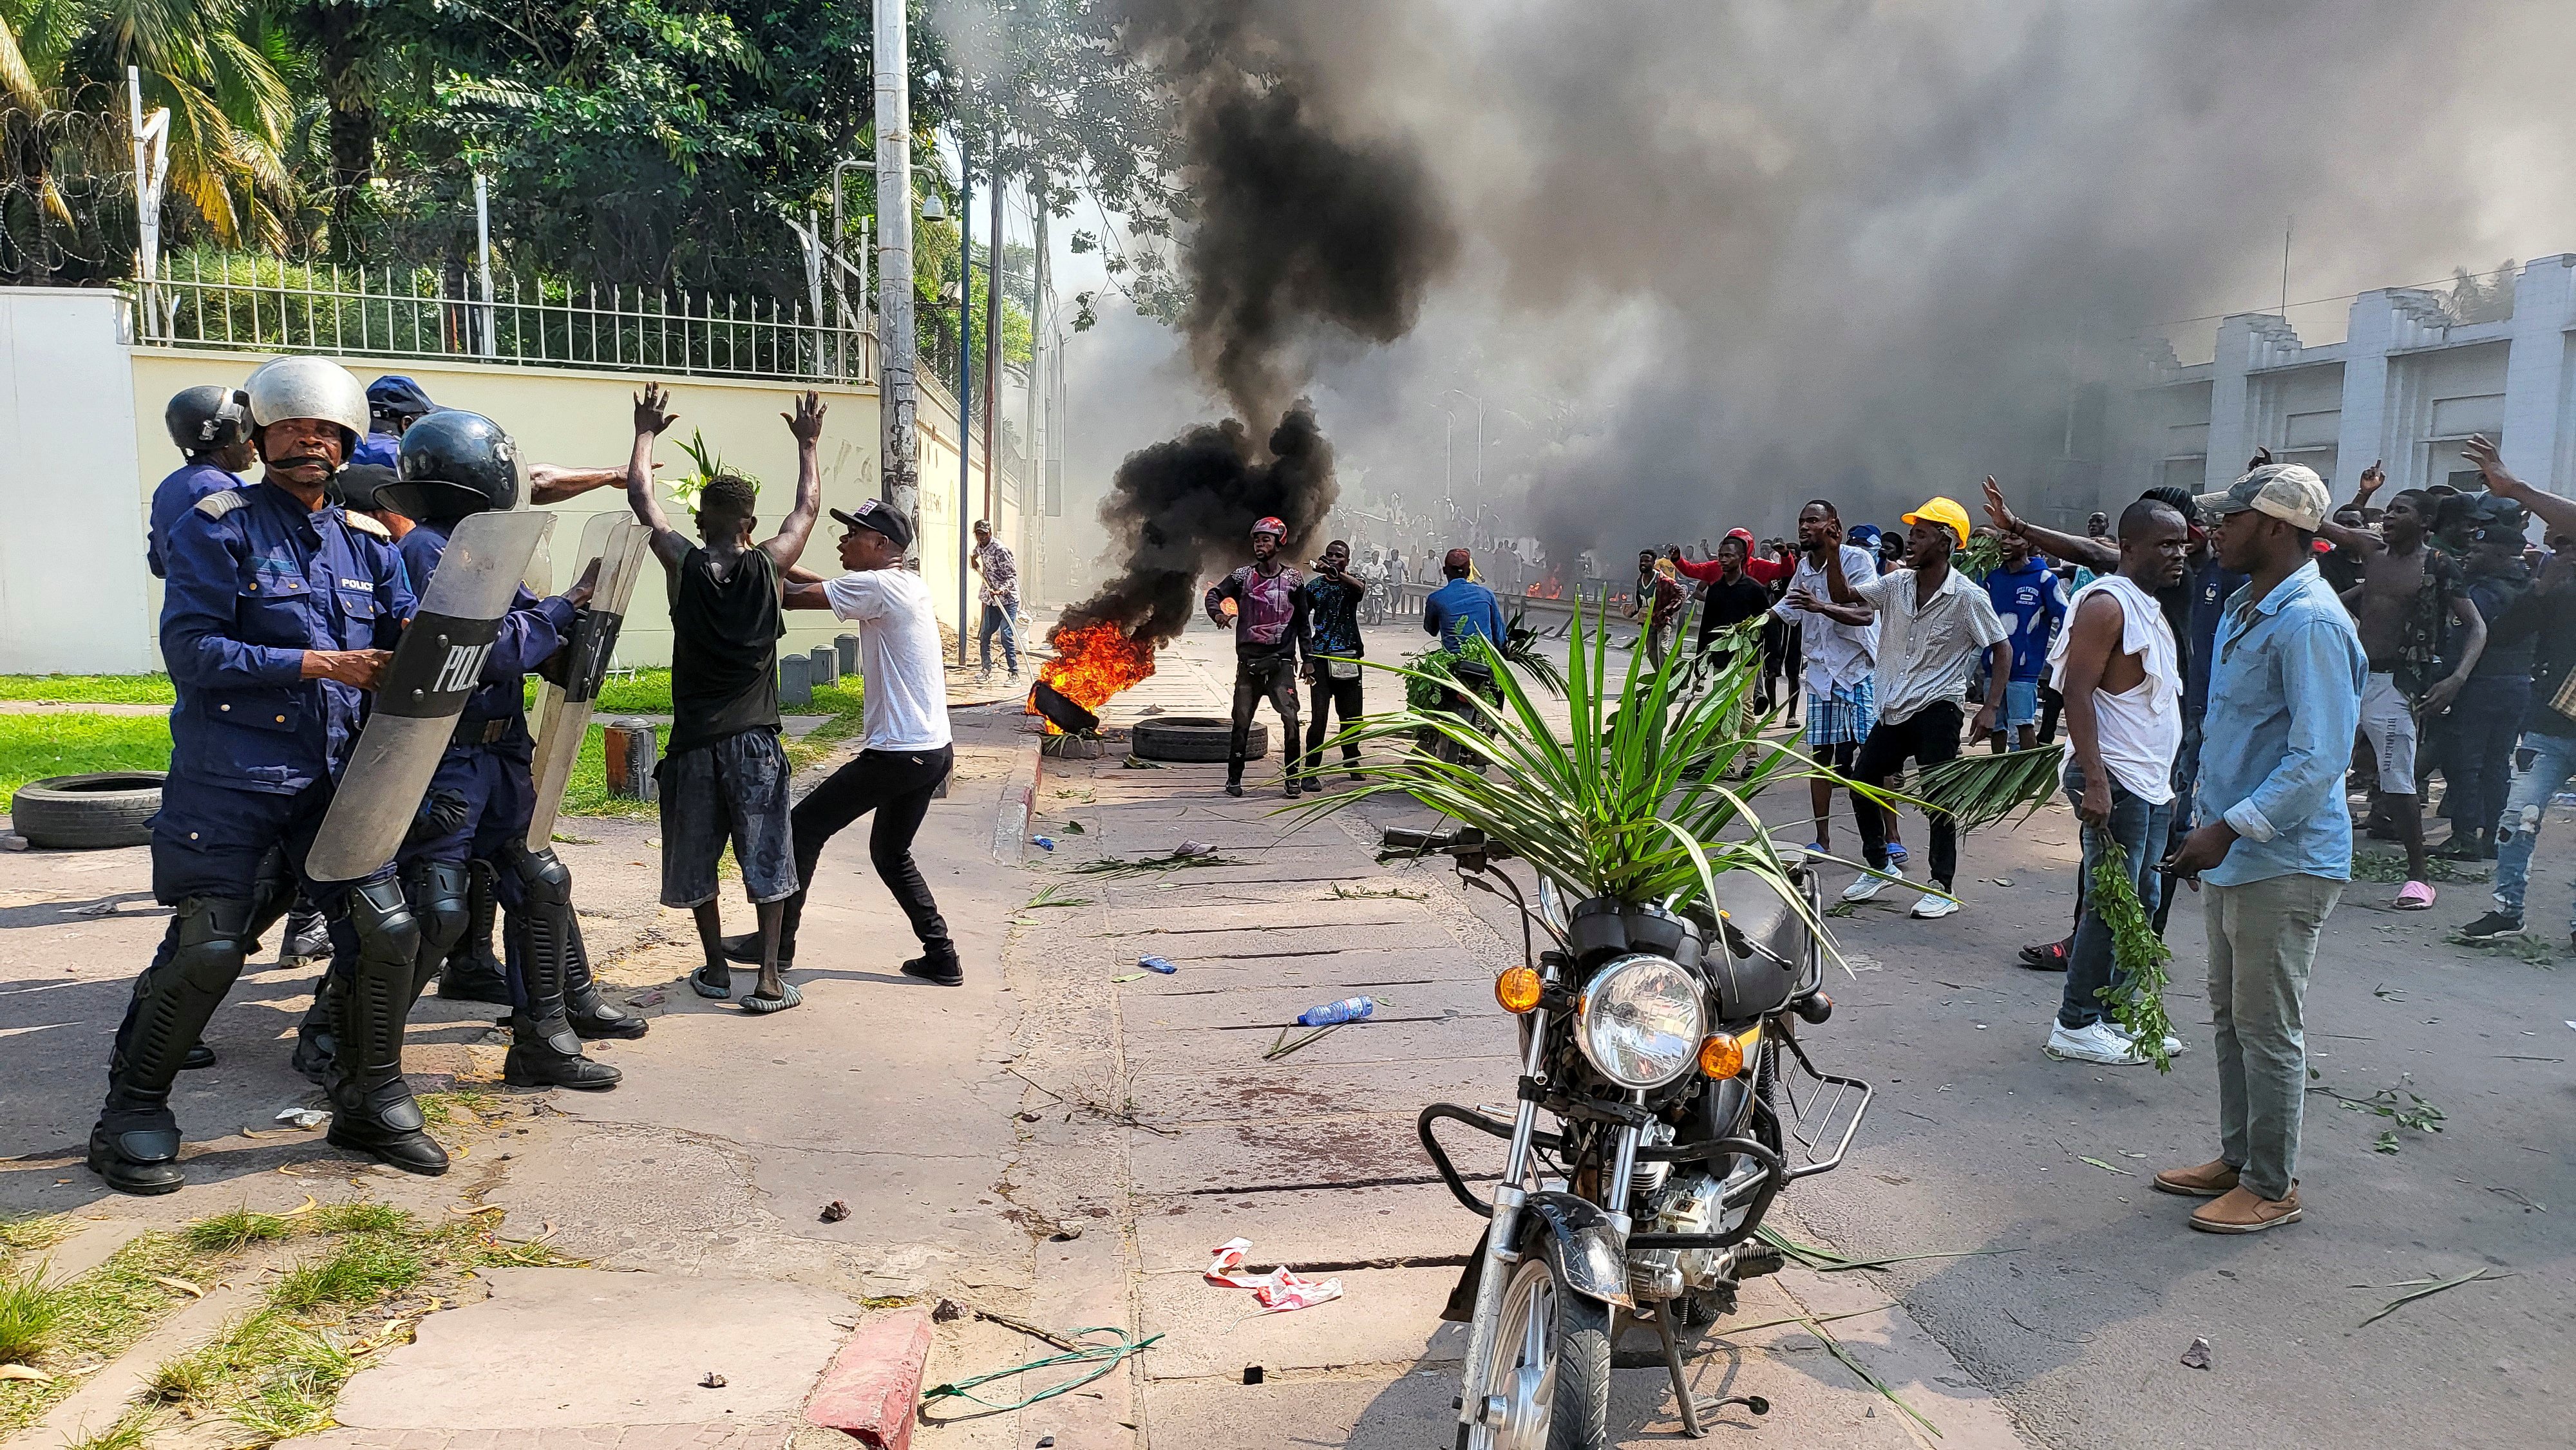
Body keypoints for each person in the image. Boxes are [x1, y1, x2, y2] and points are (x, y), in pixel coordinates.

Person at [90, 357, 436, 1194]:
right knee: (210, 945)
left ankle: (369, 1096)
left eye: (324, 430)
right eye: (290, 427)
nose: (308, 441)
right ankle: (132, 1115)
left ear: (347, 442)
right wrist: (321, 662)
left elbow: (403, 641)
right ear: (260, 435)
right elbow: (192, 651)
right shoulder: (219, 522)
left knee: (386, 930)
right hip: (231, 776)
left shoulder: (364, 542)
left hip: (333, 778)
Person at [2157, 462, 2365, 1234]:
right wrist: (2206, 820)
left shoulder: (2308, 619)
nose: (2215, 532)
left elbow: (2317, 758)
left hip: (2283, 857)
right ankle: (2239, 1157)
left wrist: (2226, 826)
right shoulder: (2252, 605)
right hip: (2236, 849)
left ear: (2277, 528)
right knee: (2229, 1015)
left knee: (2268, 1024)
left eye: (2232, 520)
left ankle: (2273, 1184)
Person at [624, 382, 823, 1013]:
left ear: (701, 519)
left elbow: (643, 501)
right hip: (754, 744)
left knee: (697, 859)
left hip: (692, 747)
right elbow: (808, 509)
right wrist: (808, 444)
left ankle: (713, 966)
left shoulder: (682, 563)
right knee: (767, 856)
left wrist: (645, 431)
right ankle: (766, 978)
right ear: (749, 525)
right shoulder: (769, 565)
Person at [719, 500, 962, 984]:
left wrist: (743, 554)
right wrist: (769, 560)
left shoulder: (878, 587)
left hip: (898, 752)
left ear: (882, 544)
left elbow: (789, 595)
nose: (843, 540)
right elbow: (817, 584)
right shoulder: (903, 583)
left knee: (803, 828)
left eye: (854, 533)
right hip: (931, 750)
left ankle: (778, 944)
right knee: (891, 854)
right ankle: (942, 955)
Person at [2041, 499, 2190, 1066]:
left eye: (2182, 544)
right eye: (2165, 545)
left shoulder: (2149, 606)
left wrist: (2170, 784)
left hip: (2151, 782)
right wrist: (2097, 782)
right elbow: (2076, 693)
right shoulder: (2107, 606)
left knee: (2145, 898)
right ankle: (2076, 1022)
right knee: (2109, 903)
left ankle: (2119, 1015)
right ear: (2129, 548)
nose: (2178, 554)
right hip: (2116, 778)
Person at [1821, 496, 2011, 919]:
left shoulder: (1967, 597)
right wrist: (1834, 553)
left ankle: (1941, 886)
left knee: (1938, 799)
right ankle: (1879, 866)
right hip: (1895, 706)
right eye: (1911, 533)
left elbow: (2001, 647)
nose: (1911, 541)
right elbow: (1844, 595)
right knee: (1864, 779)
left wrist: (1990, 707)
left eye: (1921, 535)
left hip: (1938, 708)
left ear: (1946, 543)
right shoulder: (1896, 584)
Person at [2338, 486, 2486, 909]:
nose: (2388, 517)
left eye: (2399, 511)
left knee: (2398, 781)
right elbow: (2361, 588)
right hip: (2353, 678)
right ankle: (2321, 859)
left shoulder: (2438, 565)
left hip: (2397, 683)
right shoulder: (2375, 556)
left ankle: (2418, 878)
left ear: (2424, 522)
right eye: (2387, 511)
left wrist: (2456, 679)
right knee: (2325, 766)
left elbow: (2476, 627)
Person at [2455, 435, 2576, 940]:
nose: (2558, 550)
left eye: (2565, 542)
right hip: (2550, 725)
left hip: (2549, 721)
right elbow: (2505, 634)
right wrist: (2542, 591)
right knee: (2516, 817)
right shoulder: (2553, 587)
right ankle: (2507, 911)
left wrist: (2516, 488)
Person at [1777, 501, 1884, 861]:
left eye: (1813, 521)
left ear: (1833, 525)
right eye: (1801, 521)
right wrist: (1747, 628)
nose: (1804, 528)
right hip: (1822, 673)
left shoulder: (1858, 561)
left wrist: (1822, 606)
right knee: (1820, 757)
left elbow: (1865, 614)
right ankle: (1822, 838)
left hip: (1858, 670)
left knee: (1872, 755)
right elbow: (1786, 609)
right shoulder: (1804, 569)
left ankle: (1891, 836)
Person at [2434, 502, 2534, 860]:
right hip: (2517, 685)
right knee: (2497, 763)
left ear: (2504, 554)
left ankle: (2465, 836)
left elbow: (2463, 639)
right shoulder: (2530, 587)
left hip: (2481, 685)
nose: (2470, 556)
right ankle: (2492, 835)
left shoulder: (2485, 593)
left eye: (2478, 550)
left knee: (2465, 761)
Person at [1207, 517, 1310, 800]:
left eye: (1266, 540)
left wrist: (1309, 659)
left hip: (1282, 665)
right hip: (1249, 666)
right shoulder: (1242, 577)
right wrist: (1218, 613)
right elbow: (1214, 593)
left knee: (1291, 720)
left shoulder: (1294, 579)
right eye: (1256, 540)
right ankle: (1234, 779)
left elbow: (1302, 622)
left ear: (1279, 544)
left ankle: (1293, 780)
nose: (1260, 545)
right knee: (1241, 723)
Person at [1984, 530, 2066, 752]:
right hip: (1992, 666)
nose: (2007, 542)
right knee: (1996, 726)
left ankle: (2024, 781)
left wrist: (2060, 656)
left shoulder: (2045, 579)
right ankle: (1999, 777)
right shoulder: (1993, 579)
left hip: (2024, 668)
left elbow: (2065, 616)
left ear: (2030, 542)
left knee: (2023, 725)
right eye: (2003, 538)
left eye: (2014, 537)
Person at [1300, 540, 1370, 782]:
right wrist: (1306, 658)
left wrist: (1338, 575)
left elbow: (1361, 589)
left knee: (1352, 716)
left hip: (1348, 656)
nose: (1332, 558)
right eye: (1329, 555)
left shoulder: (1351, 584)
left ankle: (1351, 759)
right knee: (1319, 718)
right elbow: (1301, 623)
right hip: (1320, 658)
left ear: (1347, 561)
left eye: (1338, 556)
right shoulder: (1314, 587)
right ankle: (1311, 771)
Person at [1424, 545, 1506, 652]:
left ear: (1444, 571)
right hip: (1485, 660)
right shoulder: (1487, 595)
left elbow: (1431, 630)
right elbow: (1500, 636)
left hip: (1453, 661)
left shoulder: (1435, 599)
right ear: (1468, 572)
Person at [970, 519, 1020, 679]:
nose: (981, 537)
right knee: (985, 635)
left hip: (1008, 600)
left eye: (984, 534)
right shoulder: (981, 546)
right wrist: (974, 559)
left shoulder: (1000, 550)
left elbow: (1012, 576)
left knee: (1006, 635)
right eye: (978, 534)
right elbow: (977, 551)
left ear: (990, 533)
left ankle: (1014, 673)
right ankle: (986, 670)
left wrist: (1001, 590)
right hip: (992, 600)